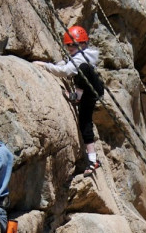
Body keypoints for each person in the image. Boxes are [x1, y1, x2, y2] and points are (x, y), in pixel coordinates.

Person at [33, 25, 104, 177]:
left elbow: (65, 71)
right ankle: (93, 159)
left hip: (89, 92)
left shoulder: (81, 58)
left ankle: (76, 96)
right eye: (68, 45)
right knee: (85, 123)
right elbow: (66, 65)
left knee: (85, 122)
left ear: (83, 44)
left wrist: (45, 66)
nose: (70, 47)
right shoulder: (83, 54)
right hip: (92, 91)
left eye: (73, 44)